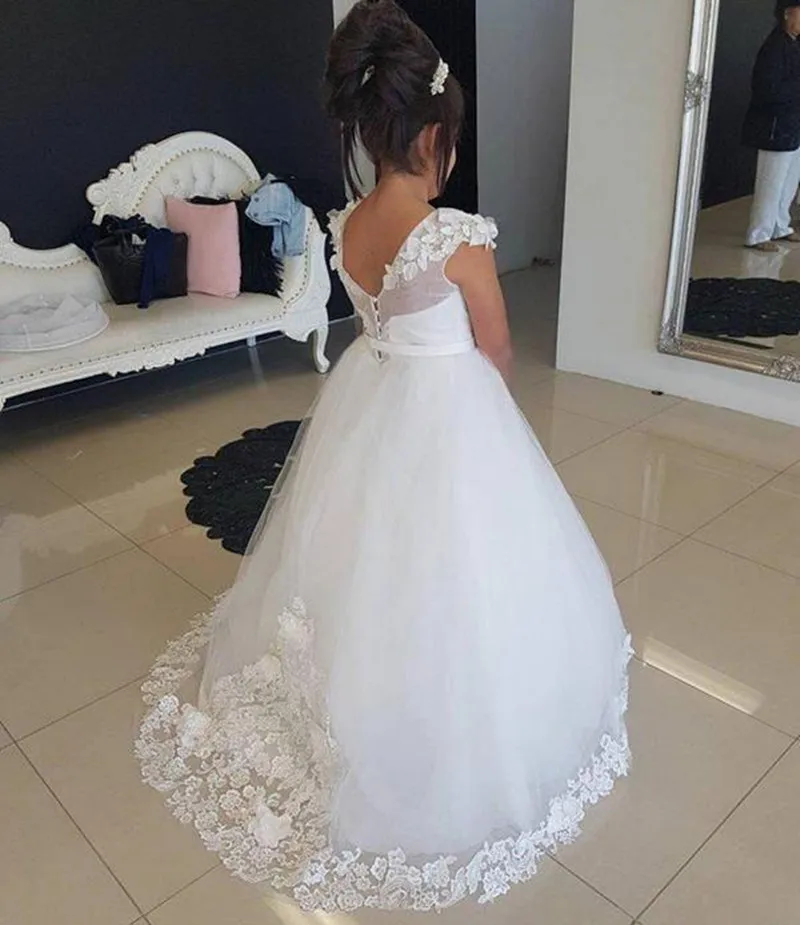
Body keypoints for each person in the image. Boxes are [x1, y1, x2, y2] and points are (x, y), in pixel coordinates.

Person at [135, 0, 631, 912]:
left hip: (371, 395)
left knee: (361, 555)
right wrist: (495, 422)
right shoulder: (456, 237)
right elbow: (497, 349)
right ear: (435, 137)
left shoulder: (347, 225)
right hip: (445, 407)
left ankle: (355, 687)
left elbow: (373, 314)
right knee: (456, 567)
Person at [742, 0, 800, 251]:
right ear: (788, 13)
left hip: (793, 124)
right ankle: (759, 233)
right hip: (775, 124)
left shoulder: (794, 44)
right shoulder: (775, 46)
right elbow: (767, 89)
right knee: (771, 180)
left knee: (789, 179)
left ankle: (780, 225)